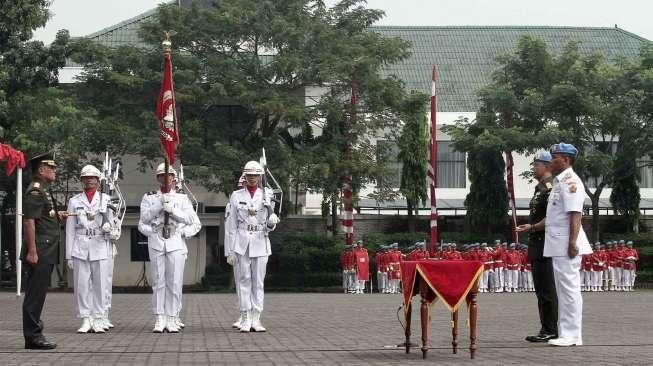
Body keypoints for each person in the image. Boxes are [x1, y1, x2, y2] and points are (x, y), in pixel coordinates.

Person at [517, 142, 592, 347]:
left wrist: (572, 242)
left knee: (569, 289)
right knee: (563, 289)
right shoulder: (560, 182)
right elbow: (554, 216)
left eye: (554, 157)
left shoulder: (570, 182)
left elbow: (575, 214)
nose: (551, 161)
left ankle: (572, 334)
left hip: (565, 243)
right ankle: (568, 333)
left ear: (565, 160)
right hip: (558, 242)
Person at [138, 163, 201, 333]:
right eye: (162, 176)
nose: (166, 178)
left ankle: (172, 317)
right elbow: (143, 220)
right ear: (158, 178)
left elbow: (192, 220)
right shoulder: (149, 197)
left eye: (169, 176)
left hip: (175, 241)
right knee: (158, 281)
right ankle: (160, 318)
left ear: (174, 178)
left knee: (174, 281)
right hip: (157, 240)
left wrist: (173, 211)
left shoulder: (182, 198)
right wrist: (159, 205)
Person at [65, 165, 120, 333]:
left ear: (98, 181)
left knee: (100, 284)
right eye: (85, 178)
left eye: (92, 178)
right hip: (81, 246)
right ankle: (85, 318)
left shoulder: (107, 199)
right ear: (82, 181)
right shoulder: (74, 201)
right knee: (82, 285)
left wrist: (109, 230)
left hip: (100, 244)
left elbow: (115, 224)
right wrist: (68, 255)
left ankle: (98, 317)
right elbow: (70, 229)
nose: (88, 180)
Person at [21, 152, 68, 349]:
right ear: (41, 170)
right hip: (39, 250)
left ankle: (35, 331)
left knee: (39, 293)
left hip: (46, 249)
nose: (55, 171)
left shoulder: (44, 190)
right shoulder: (36, 190)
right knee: (35, 294)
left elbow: (42, 215)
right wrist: (32, 251)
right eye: (52, 167)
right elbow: (29, 220)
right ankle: (33, 336)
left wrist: (57, 215)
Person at [226, 161, 280, 332]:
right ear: (245, 176)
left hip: (260, 240)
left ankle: (256, 318)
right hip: (242, 242)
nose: (252, 178)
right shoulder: (236, 196)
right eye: (249, 175)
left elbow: (271, 223)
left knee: (258, 282)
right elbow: (232, 225)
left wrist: (272, 223)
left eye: (255, 175)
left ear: (260, 176)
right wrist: (230, 250)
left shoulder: (267, 194)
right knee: (243, 280)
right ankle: (245, 316)